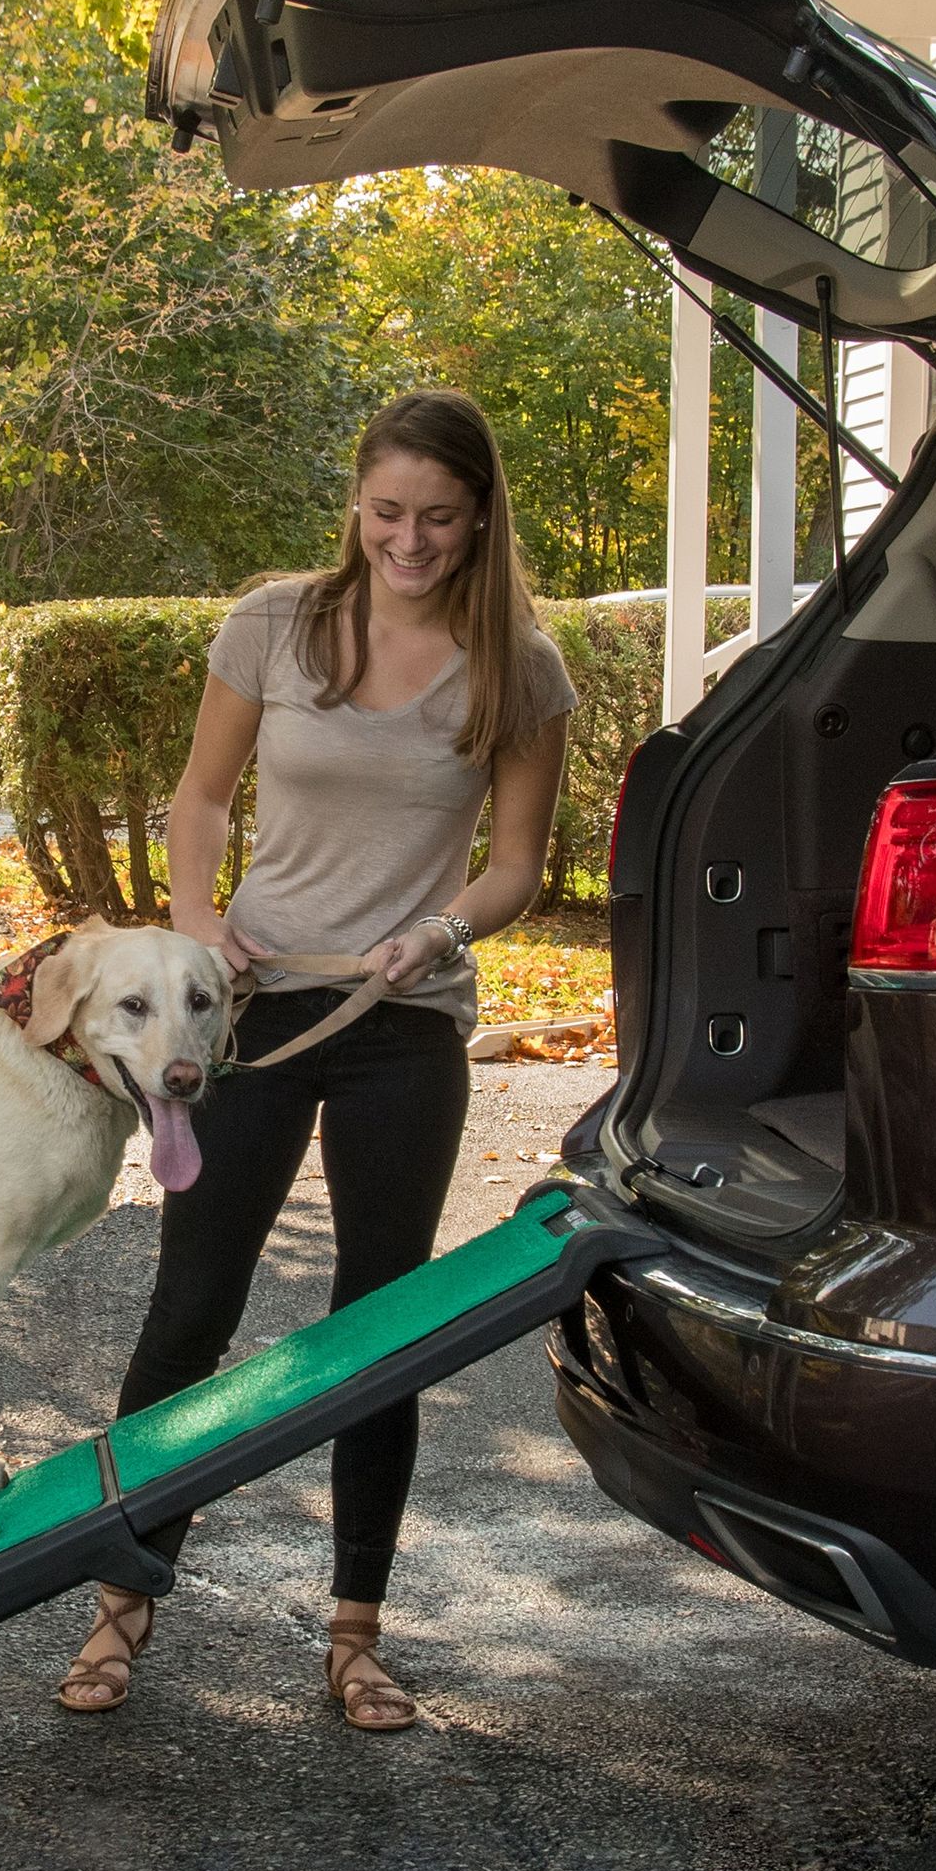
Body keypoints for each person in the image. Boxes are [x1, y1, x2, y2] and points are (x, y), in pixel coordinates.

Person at [56, 389, 577, 1730]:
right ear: (356, 503)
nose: (410, 540)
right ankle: (125, 1598)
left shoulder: (520, 668)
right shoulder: (275, 623)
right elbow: (200, 798)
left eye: (440, 520)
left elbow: (517, 865)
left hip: (405, 1027)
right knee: (193, 1305)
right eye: (389, 512)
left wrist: (438, 926)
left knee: (377, 1328)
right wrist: (196, 932)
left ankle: (355, 1632)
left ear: (480, 520)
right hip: (255, 1006)